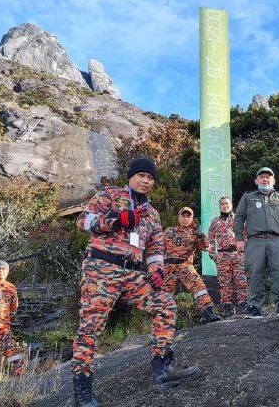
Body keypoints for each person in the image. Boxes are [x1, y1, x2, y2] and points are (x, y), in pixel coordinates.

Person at [71, 157, 200, 407]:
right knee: (91, 327)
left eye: (150, 178)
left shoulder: (152, 214)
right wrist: (117, 219)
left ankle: (163, 368)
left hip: (132, 274)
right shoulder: (109, 195)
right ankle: (83, 391)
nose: (145, 180)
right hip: (101, 268)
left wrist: (156, 270)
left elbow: (156, 247)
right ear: (130, 177)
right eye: (141, 175)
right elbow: (83, 221)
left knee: (165, 304)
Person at [233, 167, 279, 318]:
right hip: (255, 241)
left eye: (268, 177)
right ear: (256, 181)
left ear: (273, 180)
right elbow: (239, 218)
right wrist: (239, 238)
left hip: (278, 240)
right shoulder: (248, 198)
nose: (265, 179)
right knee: (255, 273)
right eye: (261, 177)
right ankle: (254, 306)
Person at [164, 207, 221, 323]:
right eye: (183, 216)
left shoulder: (195, 233)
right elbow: (158, 247)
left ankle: (207, 313)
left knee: (199, 287)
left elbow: (206, 247)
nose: (185, 219)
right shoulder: (169, 231)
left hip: (185, 265)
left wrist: (201, 236)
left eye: (188, 216)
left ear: (192, 219)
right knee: (164, 294)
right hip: (168, 266)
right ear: (178, 218)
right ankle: (163, 321)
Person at [207, 197, 248, 317]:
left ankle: (243, 305)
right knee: (225, 283)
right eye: (222, 204)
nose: (225, 206)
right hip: (222, 255)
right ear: (220, 206)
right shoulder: (215, 222)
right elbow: (210, 240)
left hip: (237, 254)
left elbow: (246, 236)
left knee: (241, 281)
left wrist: (245, 251)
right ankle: (227, 307)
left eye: (227, 204)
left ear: (231, 205)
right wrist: (213, 255)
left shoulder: (239, 220)